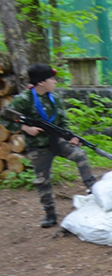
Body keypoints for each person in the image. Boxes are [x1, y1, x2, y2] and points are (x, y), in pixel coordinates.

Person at [1, 64, 97, 228]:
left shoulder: (55, 98)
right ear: (41, 82)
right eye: (51, 79)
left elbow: (63, 121)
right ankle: (50, 214)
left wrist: (70, 137)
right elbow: (4, 117)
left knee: (80, 155)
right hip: (38, 146)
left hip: (56, 141)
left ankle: (93, 190)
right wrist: (25, 128)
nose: (55, 82)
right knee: (42, 181)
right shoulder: (24, 100)